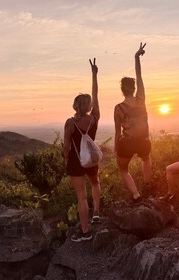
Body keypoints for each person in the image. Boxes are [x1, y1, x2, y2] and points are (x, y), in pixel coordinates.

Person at [64, 58, 100, 242]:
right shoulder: (94, 118)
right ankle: (98, 213)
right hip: (92, 159)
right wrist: (94, 75)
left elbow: (66, 147)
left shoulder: (70, 123)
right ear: (89, 105)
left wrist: (66, 161)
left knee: (81, 197)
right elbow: (96, 94)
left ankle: (85, 231)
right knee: (95, 183)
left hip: (76, 162)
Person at [114, 43, 152, 202]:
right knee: (146, 159)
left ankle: (136, 194)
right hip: (143, 141)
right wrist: (136, 57)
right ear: (134, 88)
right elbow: (139, 75)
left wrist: (116, 147)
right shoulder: (141, 99)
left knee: (123, 169)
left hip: (127, 143)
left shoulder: (118, 108)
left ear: (122, 89)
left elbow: (117, 132)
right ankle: (148, 186)